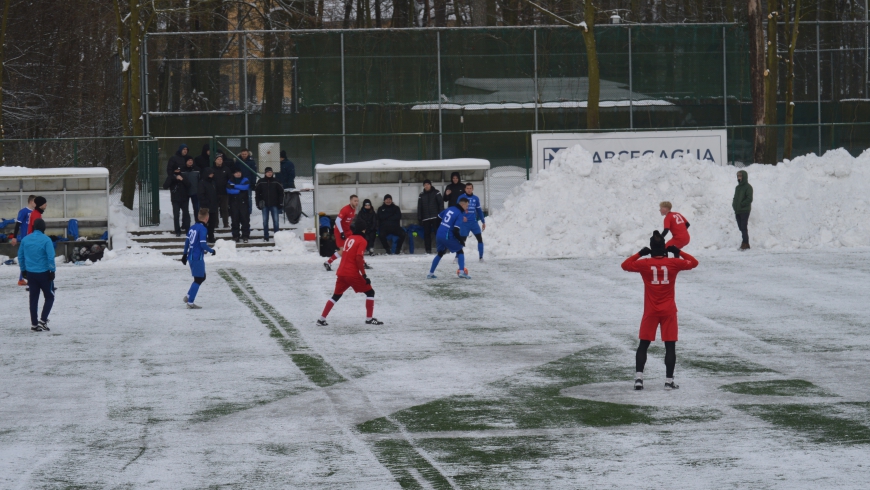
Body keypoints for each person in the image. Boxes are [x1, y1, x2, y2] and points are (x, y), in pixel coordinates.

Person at [621, 230, 699, 391]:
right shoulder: (673, 263)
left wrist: (639, 254)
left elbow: (625, 265)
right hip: (669, 311)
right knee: (670, 347)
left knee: (643, 345)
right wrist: (678, 251)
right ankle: (669, 381)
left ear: (650, 248)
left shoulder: (645, 264)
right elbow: (694, 262)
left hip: (650, 311)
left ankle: (639, 379)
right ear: (664, 247)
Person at [316, 219, 383, 326]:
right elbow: (358, 259)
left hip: (341, 272)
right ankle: (369, 319)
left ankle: (321, 319)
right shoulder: (362, 240)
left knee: (335, 296)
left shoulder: (349, 239)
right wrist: (364, 275)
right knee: (370, 292)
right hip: (352, 274)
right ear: (364, 230)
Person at [18, 219, 56, 331]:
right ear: (44, 228)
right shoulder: (46, 240)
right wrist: (52, 271)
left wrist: (23, 270)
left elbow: (20, 256)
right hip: (44, 274)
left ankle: (34, 324)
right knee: (49, 296)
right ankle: (43, 321)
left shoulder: (25, 239)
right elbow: (50, 257)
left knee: (33, 299)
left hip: (31, 274)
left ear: (34, 227)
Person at [428, 197, 471, 279]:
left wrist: (438, 229)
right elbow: (455, 230)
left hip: (439, 234)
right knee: (460, 250)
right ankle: (462, 272)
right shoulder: (459, 213)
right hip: (447, 235)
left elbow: (438, 217)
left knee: (440, 253)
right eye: (467, 205)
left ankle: (430, 273)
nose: (467, 207)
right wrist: (461, 240)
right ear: (462, 204)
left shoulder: (450, 208)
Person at [181, 208, 216, 309]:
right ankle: (190, 302)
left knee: (201, 277)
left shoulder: (192, 227)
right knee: (199, 278)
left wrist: (184, 254)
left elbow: (187, 242)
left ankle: (188, 296)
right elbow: (202, 244)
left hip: (191, 256)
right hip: (197, 257)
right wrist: (212, 251)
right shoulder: (203, 229)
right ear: (207, 218)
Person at [324, 195, 359, 271]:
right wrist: (342, 232)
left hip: (347, 231)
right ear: (350, 201)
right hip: (340, 231)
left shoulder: (354, 209)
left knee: (354, 247)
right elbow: (337, 221)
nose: (356, 202)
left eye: (357, 201)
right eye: (355, 201)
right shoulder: (345, 209)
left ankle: (360, 264)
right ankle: (328, 262)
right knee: (343, 251)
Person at [11, 195, 36, 286]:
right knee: (26, 258)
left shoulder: (35, 212)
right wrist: (14, 237)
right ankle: (23, 279)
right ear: (31, 202)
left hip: (33, 238)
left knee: (31, 258)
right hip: (25, 238)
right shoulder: (23, 211)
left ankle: (25, 278)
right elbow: (18, 224)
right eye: (35, 201)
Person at [255, 167, 285, 242]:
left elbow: (281, 193)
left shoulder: (276, 181)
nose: (269, 173)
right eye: (268, 172)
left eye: (271, 172)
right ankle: (266, 236)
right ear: (265, 173)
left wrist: (280, 202)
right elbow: (257, 193)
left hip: (274, 204)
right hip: (264, 205)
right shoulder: (260, 181)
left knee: (276, 221)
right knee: (265, 221)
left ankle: (277, 237)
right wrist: (258, 203)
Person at [460, 183, 486, 261]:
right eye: (467, 188)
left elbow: (479, 210)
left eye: (470, 188)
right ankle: (457, 257)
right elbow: (457, 210)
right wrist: (461, 217)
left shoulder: (476, 198)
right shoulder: (461, 198)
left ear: (473, 189)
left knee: (480, 239)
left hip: (474, 223)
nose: (469, 190)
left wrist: (483, 221)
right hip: (464, 223)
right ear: (465, 189)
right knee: (462, 240)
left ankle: (481, 257)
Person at [164, 167, 191, 236]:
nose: (177, 171)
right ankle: (177, 231)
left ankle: (188, 230)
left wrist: (182, 180)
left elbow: (188, 185)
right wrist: (174, 179)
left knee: (186, 215)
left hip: (184, 199)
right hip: (175, 199)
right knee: (176, 215)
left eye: (178, 170)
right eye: (176, 170)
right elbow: (165, 186)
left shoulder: (183, 176)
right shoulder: (171, 177)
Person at [417, 180, 443, 254]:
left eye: (428, 184)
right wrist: (420, 218)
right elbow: (419, 207)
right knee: (426, 235)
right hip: (426, 218)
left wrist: (440, 215)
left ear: (430, 185)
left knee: (438, 233)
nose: (426, 186)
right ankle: (428, 250)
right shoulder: (421, 195)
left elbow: (441, 204)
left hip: (435, 217)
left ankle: (440, 249)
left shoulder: (436, 192)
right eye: (425, 185)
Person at [227, 168, 251, 242]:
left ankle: (245, 236)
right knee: (235, 220)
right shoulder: (230, 181)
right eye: (236, 173)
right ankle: (235, 236)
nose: (238, 174)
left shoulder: (245, 179)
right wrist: (239, 190)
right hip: (234, 203)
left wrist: (234, 186)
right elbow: (228, 190)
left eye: (239, 172)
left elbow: (246, 187)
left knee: (245, 220)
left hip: (244, 203)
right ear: (233, 174)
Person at [733, 169, 753, 250]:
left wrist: (741, 204)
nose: (739, 177)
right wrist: (734, 205)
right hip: (737, 210)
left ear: (744, 177)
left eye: (740, 176)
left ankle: (745, 243)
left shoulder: (748, 187)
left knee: (743, 227)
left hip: (745, 210)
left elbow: (749, 198)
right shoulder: (737, 187)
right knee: (740, 227)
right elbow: (735, 198)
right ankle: (745, 242)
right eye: (738, 176)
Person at [198, 168, 219, 243]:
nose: (212, 175)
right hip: (205, 206)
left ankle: (211, 236)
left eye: (212, 174)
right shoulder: (202, 182)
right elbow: (201, 194)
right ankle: (203, 237)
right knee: (204, 223)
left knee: (212, 223)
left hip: (213, 205)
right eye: (210, 174)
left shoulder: (213, 182)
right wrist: (206, 202)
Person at [211, 154, 232, 229]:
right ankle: (215, 223)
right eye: (218, 159)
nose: (220, 160)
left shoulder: (226, 169)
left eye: (221, 159)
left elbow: (230, 179)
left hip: (224, 192)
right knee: (215, 209)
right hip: (214, 193)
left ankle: (226, 223)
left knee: (225, 209)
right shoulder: (212, 169)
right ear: (215, 160)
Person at [236, 149, 257, 215]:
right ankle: (240, 210)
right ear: (241, 154)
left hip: (248, 182)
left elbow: (254, 173)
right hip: (239, 182)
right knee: (239, 197)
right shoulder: (237, 161)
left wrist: (253, 182)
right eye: (243, 154)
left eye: (245, 154)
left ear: (248, 154)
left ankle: (249, 211)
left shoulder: (252, 161)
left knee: (248, 197)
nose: (244, 155)